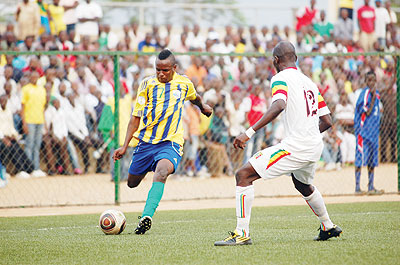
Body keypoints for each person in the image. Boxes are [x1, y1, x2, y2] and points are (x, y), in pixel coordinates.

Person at [214, 41, 342, 246]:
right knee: (302, 183)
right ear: (296, 59)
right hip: (313, 145)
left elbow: (279, 104)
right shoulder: (309, 82)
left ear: (275, 60)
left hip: (297, 146)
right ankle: (327, 226)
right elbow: (327, 121)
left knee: (243, 174)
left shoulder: (280, 78)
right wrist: (308, 135)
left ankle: (241, 233)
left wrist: (248, 133)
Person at [113, 49, 212, 235]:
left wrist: (203, 107)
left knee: (162, 171)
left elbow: (195, 97)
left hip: (170, 142)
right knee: (132, 182)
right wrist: (125, 146)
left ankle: (146, 216)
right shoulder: (147, 85)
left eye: (165, 70)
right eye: (157, 69)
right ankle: (147, 169)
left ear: (174, 68)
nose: (161, 73)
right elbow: (135, 118)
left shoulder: (183, 83)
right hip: (146, 143)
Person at [354, 71, 383, 195]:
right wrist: (371, 97)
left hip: (373, 133)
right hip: (363, 133)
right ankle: (357, 187)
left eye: (373, 80)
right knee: (360, 159)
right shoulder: (365, 94)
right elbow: (368, 112)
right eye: (369, 80)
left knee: (372, 161)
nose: (371, 83)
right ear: (366, 82)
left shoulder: (376, 94)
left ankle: (371, 186)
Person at [21, 70, 48, 178]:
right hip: (29, 121)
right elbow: (22, 107)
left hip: (40, 120)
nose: (34, 78)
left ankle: (36, 168)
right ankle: (28, 168)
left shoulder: (42, 89)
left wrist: (45, 123)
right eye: (33, 77)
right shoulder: (25, 89)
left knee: (37, 146)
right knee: (29, 145)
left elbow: (42, 108)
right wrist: (24, 123)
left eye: (36, 77)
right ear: (30, 77)